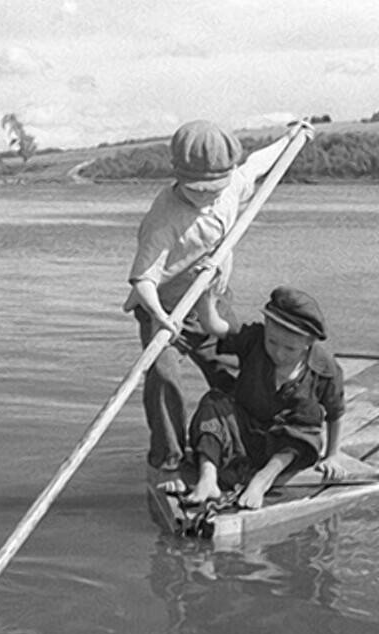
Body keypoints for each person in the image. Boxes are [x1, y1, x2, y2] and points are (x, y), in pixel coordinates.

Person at [125, 118, 314, 495]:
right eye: (199, 190)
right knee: (163, 378)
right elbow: (143, 280)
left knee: (235, 369)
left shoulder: (231, 185)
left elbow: (258, 165)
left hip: (211, 298)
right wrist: (162, 320)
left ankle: (242, 440)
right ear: (179, 178)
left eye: (215, 187)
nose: (209, 195)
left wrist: (291, 138)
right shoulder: (163, 218)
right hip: (164, 308)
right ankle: (169, 460)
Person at [183, 286, 350, 510]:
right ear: (266, 327)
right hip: (245, 430)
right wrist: (206, 299)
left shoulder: (325, 368)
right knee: (214, 403)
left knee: (305, 427)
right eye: (272, 342)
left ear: (308, 342)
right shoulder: (254, 339)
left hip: (284, 444)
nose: (279, 353)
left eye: (290, 348)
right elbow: (215, 327)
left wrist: (332, 455)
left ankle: (262, 481)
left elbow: (335, 412)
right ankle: (208, 476)